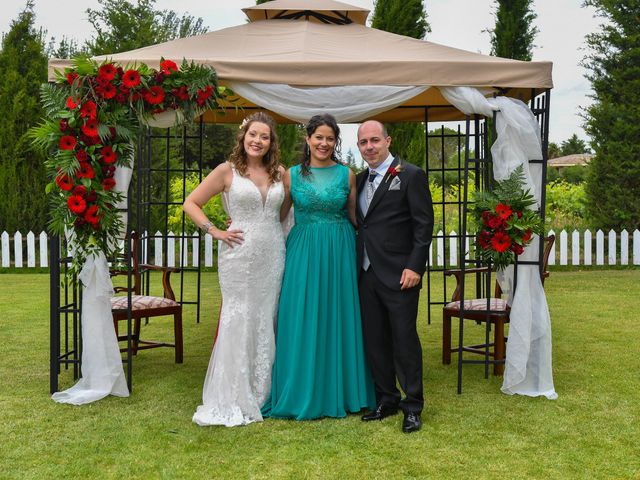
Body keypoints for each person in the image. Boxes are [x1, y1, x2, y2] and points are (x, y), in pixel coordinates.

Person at [262, 114, 376, 420]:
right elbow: (277, 215)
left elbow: (356, 218)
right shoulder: (292, 175)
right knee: (300, 313)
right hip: (303, 249)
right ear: (308, 139)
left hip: (339, 249)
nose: (324, 143)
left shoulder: (347, 175)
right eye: (319, 137)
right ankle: (300, 389)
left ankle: (343, 389)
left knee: (339, 315)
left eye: (330, 138)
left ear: (336, 141)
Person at [183, 112, 286, 427]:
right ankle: (234, 394)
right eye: (253, 134)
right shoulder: (226, 171)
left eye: (264, 136)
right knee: (238, 316)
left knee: (267, 316)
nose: (258, 141)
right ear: (243, 137)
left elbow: (285, 213)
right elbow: (190, 203)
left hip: (273, 254)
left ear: (271, 143)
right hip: (238, 255)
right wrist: (214, 230)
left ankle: (264, 391)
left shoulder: (281, 173)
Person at [356, 120, 434, 433]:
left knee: (404, 341)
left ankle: (412, 405)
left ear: (387, 140)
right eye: (363, 142)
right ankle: (386, 399)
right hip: (365, 273)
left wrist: (415, 266)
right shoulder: (360, 179)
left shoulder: (410, 174)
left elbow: (423, 225)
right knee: (374, 341)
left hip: (401, 274)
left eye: (375, 140)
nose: (369, 147)